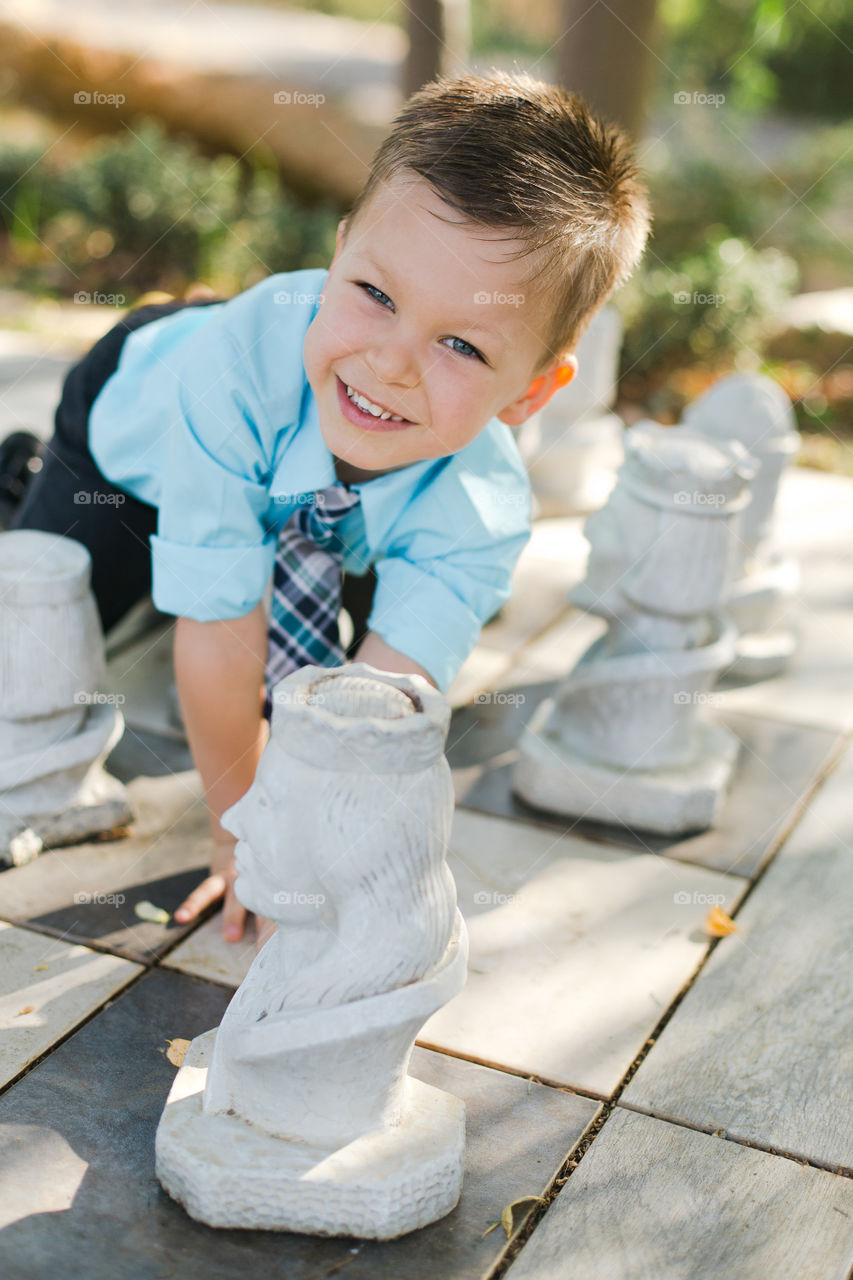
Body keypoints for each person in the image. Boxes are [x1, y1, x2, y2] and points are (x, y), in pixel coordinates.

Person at [11, 71, 650, 945]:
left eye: (460, 343)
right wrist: (240, 837)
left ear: (532, 393)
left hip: (341, 519)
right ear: (340, 250)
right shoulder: (227, 378)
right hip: (141, 433)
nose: (391, 363)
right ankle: (28, 478)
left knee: (324, 688)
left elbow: (376, 712)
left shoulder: (481, 513)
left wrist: (310, 857)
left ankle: (269, 541)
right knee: (43, 624)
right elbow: (219, 632)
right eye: (375, 294)